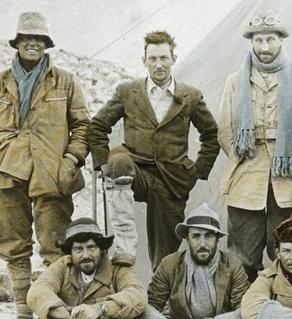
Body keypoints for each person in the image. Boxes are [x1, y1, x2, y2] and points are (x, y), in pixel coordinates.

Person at [0, 12, 89, 319]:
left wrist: (70, 159)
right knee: (13, 247)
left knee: (55, 247)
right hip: (8, 173)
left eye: (39, 38)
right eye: (26, 38)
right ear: (18, 42)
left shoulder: (65, 81)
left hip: (53, 175)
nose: (32, 43)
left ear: (47, 44)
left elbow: (82, 127)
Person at [88, 30, 220, 270]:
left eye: (164, 58)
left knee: (165, 255)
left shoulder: (190, 95)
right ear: (144, 61)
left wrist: (197, 170)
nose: (158, 65)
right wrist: (102, 164)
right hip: (135, 169)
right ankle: (125, 244)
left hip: (172, 179)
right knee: (118, 160)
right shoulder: (128, 91)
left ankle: (162, 298)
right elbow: (97, 126)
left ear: (173, 59)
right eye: (153, 59)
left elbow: (211, 134)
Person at [217, 9, 292, 282]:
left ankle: (281, 303)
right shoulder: (235, 81)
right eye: (258, 41)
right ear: (251, 42)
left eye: (270, 40)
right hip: (246, 176)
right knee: (241, 252)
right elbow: (224, 129)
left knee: (285, 248)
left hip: (285, 177)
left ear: (281, 40)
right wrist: (244, 156)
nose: (264, 47)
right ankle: (242, 308)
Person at [136, 203, 254, 319]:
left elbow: (243, 309)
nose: (203, 244)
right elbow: (152, 304)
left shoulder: (233, 265)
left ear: (217, 239)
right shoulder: (170, 264)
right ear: (187, 238)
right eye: (196, 236)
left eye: (209, 236)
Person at [27, 218, 147, 319]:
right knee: (47, 310)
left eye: (91, 248)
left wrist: (99, 309)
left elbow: (138, 295)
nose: (85, 255)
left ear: (102, 249)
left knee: (119, 310)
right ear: (70, 252)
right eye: (78, 249)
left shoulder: (118, 270)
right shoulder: (62, 267)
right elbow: (37, 292)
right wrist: (71, 314)